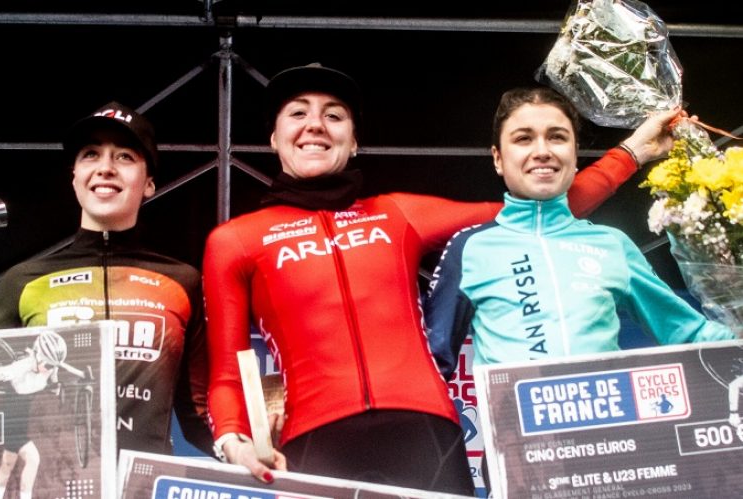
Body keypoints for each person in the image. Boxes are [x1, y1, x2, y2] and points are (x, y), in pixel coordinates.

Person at [202, 64, 680, 494]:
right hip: (314, 442)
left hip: (426, 434)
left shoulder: (396, 214)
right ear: (274, 138)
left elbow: (540, 210)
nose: (315, 125)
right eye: (297, 113)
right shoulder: (235, 240)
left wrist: (632, 152)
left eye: (334, 115)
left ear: (354, 140)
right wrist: (232, 440)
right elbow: (224, 374)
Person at [424, 86, 734, 380]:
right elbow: (432, 366)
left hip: (610, 417)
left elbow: (687, 332)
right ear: (498, 159)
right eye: (523, 139)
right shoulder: (471, 248)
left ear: (574, 157)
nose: (542, 151)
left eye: (557, 137)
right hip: (513, 418)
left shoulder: (612, 244)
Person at [0, 102, 214, 457]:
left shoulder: (182, 282)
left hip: (145, 480)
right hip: (51, 479)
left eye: (124, 157)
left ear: (149, 183)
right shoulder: (23, 281)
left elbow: (198, 412)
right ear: (74, 177)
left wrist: (256, 445)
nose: (105, 168)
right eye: (91, 154)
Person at [0, 330, 79, 499]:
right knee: (33, 458)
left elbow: (54, 376)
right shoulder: (18, 369)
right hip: (10, 415)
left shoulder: (51, 366)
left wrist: (55, 385)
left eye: (53, 366)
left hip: (24, 417)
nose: (50, 369)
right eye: (48, 365)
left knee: (8, 463)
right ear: (38, 356)